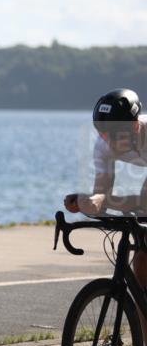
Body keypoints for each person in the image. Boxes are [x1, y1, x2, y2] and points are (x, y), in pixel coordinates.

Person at [65, 88, 147, 290]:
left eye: (115, 135)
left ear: (135, 127)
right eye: (102, 133)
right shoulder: (104, 146)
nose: (108, 140)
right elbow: (101, 193)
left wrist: (105, 200)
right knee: (141, 269)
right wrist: (87, 202)